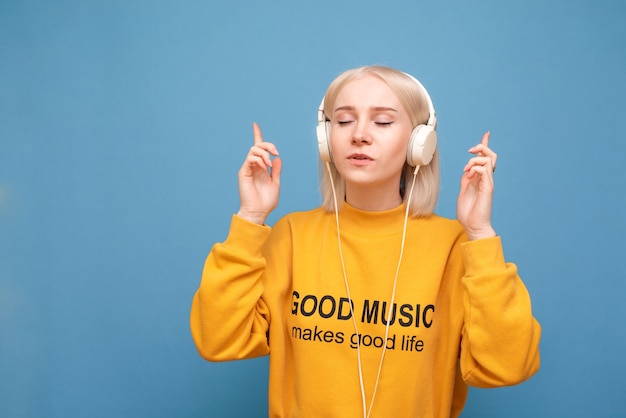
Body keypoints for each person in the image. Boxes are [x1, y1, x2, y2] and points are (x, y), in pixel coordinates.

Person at [190, 65, 541, 418]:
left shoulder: (454, 246)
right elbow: (218, 341)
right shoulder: (292, 236)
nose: (359, 135)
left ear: (421, 141)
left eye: (383, 122)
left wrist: (480, 234)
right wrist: (250, 218)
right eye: (343, 121)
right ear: (326, 139)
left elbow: (506, 367)